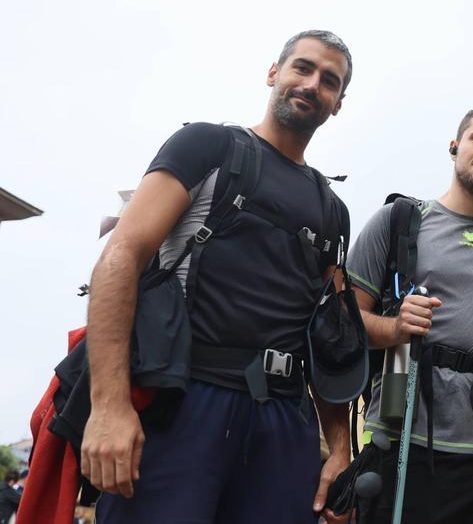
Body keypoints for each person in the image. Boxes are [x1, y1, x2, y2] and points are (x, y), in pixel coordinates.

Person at [81, 30, 359, 524]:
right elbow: (122, 255)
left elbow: (330, 343)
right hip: (184, 401)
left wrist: (340, 449)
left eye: (329, 81)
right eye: (302, 68)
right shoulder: (208, 146)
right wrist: (109, 405)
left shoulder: (332, 210)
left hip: (282, 422)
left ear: (338, 103)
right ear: (274, 73)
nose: (313, 84)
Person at [347, 104, 473, 523]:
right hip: (408, 439)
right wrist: (397, 326)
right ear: (455, 146)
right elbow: (342, 324)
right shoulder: (399, 221)